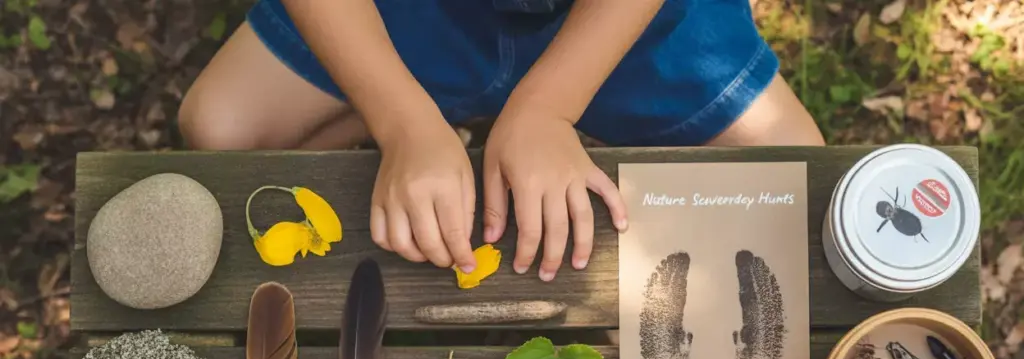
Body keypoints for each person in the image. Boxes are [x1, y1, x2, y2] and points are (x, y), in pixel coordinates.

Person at [180, 0, 824, 281]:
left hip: (627, 24)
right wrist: (403, 121)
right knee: (220, 128)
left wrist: (547, 108)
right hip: (419, 12)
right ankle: (448, 112)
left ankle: (509, 117)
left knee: (791, 177)